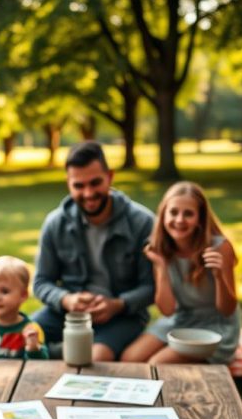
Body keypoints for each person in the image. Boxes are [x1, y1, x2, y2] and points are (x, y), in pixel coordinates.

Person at [32, 140, 155, 360]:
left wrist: (118, 304)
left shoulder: (142, 223)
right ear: (68, 183)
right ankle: (64, 351)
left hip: (124, 315)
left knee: (94, 358)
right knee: (20, 337)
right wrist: (66, 299)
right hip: (68, 313)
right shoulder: (55, 223)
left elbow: (152, 286)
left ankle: (61, 352)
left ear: (110, 176)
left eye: (95, 183)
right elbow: (41, 282)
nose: (88, 193)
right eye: (78, 185)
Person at [121, 181, 241, 364]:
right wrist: (161, 267)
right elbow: (167, 310)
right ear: (163, 215)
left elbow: (227, 310)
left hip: (215, 325)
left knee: (157, 364)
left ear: (200, 218)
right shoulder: (159, 248)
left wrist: (219, 277)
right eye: (173, 212)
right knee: (129, 358)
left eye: (188, 214)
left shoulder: (219, 247)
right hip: (180, 319)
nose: (179, 220)